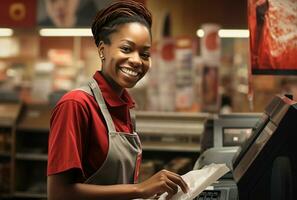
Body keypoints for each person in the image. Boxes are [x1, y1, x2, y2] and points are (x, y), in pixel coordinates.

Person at [47, 1, 189, 199]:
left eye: (145, 54)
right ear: (102, 50)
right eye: (126, 49)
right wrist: (140, 189)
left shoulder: (126, 107)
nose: (137, 60)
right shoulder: (76, 105)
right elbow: (58, 194)